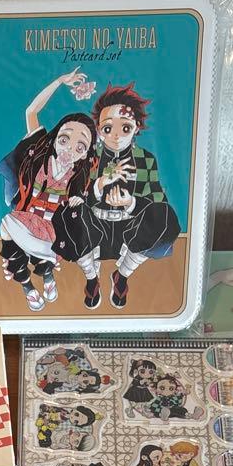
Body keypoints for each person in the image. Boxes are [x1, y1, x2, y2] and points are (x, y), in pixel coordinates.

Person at [53, 83, 180, 310]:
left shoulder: (146, 159)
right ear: (99, 130)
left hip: (130, 232)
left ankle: (122, 275)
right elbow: (73, 192)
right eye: (108, 128)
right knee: (67, 213)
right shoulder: (89, 156)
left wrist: (130, 203)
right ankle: (91, 278)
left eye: (126, 127)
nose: (116, 136)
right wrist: (99, 185)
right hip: (94, 230)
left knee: (166, 217)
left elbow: (158, 200)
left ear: (136, 128)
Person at [0, 70, 95, 311]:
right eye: (65, 139)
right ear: (55, 138)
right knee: (6, 228)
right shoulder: (39, 154)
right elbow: (31, 112)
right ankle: (27, 286)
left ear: (85, 154)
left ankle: (47, 276)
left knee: (46, 257)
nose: (69, 149)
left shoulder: (80, 178)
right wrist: (60, 81)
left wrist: (78, 202)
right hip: (26, 218)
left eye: (80, 146)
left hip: (52, 230)